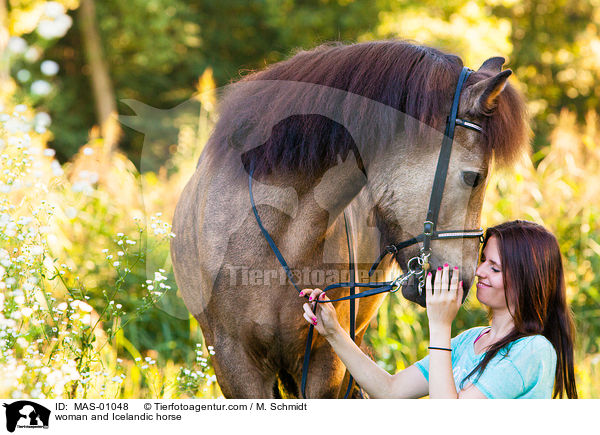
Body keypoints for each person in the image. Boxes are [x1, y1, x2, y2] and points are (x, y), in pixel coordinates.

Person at [301, 220, 578, 398]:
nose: (479, 271)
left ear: (526, 279)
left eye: (494, 267)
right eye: (482, 261)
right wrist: (334, 331)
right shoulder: (470, 340)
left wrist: (440, 325)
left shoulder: (532, 351)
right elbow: (390, 389)